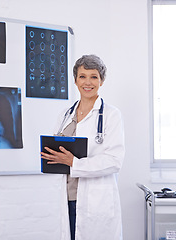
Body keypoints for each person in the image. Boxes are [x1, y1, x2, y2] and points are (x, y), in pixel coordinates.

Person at [41, 54, 125, 240]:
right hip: (67, 198)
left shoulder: (111, 115)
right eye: (82, 76)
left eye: (94, 76)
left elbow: (114, 161)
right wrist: (50, 155)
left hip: (94, 201)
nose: (88, 82)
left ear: (101, 81)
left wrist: (74, 163)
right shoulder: (65, 115)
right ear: (75, 80)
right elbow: (56, 148)